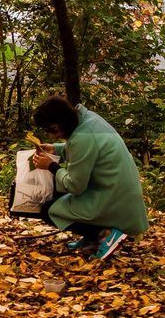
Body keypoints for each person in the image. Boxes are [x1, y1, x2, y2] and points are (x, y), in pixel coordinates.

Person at [30, 95, 149, 261]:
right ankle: (92, 238)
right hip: (116, 190)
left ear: (56, 127)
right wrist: (56, 150)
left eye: (48, 131)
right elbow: (88, 150)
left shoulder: (82, 137)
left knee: (48, 209)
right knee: (58, 198)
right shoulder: (88, 120)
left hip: (113, 197)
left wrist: (51, 166)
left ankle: (105, 234)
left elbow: (75, 185)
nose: (51, 136)